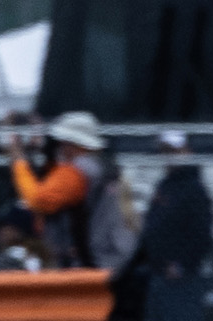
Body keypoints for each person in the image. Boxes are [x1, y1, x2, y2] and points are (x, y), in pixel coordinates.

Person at [14, 110, 138, 273]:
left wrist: (18, 162)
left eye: (61, 142)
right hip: (114, 256)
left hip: (93, 261)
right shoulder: (106, 167)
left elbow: (39, 200)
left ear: (70, 144)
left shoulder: (76, 172)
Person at [137, 130, 213, 321]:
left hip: (181, 280)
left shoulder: (195, 190)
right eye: (165, 151)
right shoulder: (165, 186)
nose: (169, 156)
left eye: (174, 151)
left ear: (188, 152)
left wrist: (183, 265)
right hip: (158, 274)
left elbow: (203, 236)